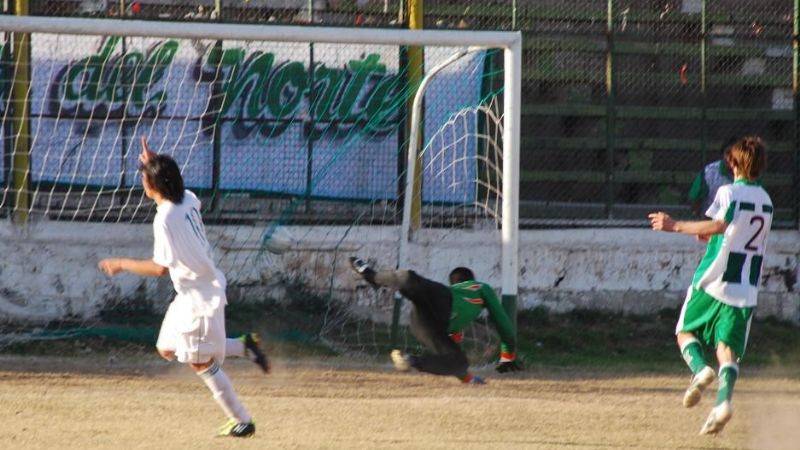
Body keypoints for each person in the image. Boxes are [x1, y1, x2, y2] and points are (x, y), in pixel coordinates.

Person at [98, 137, 270, 438]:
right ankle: (244, 345)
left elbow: (160, 267)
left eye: (144, 176)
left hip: (200, 298)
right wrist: (153, 163)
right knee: (166, 349)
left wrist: (122, 263)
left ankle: (242, 419)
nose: (142, 180)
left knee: (201, 361)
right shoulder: (188, 198)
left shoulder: (164, 218)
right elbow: (175, 184)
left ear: (153, 186)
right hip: (190, 293)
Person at [649, 136, 770, 436]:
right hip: (745, 287)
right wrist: (712, 235)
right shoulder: (766, 200)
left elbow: (719, 225)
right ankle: (722, 403)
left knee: (684, 331)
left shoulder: (728, 192)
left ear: (733, 163)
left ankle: (700, 370)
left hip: (714, 279)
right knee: (727, 350)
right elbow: (734, 233)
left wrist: (674, 225)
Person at [348, 257, 521, 384]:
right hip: (440, 308)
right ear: (472, 280)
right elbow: (502, 322)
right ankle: (412, 360)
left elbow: (449, 353)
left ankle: (372, 275)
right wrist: (508, 354)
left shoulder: (452, 299)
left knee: (409, 279)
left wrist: (468, 379)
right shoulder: (481, 288)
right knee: (458, 362)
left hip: (421, 323)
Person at [688, 137, 737, 217]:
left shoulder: (750, 173)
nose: (730, 158)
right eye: (727, 153)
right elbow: (694, 199)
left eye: (735, 154)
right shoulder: (709, 172)